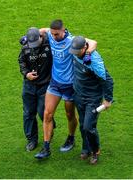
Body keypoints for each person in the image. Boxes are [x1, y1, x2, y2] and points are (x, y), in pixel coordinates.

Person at [35, 19, 97, 159]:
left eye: (57, 34)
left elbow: (93, 43)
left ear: (64, 31)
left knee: (70, 115)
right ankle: (46, 148)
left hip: (70, 86)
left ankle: (71, 138)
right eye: (53, 34)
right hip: (55, 83)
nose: (54, 36)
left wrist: (87, 54)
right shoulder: (50, 35)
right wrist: (29, 36)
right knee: (47, 114)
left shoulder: (71, 40)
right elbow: (42, 30)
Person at [69, 36, 114, 164]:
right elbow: (90, 40)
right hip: (78, 95)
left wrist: (108, 100)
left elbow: (108, 80)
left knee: (89, 126)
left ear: (84, 48)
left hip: (92, 99)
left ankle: (95, 151)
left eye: (77, 51)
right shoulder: (77, 48)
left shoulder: (94, 61)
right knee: (83, 125)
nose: (75, 54)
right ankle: (86, 148)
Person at [18, 27, 56, 151]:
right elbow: (21, 61)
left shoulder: (49, 43)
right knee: (28, 113)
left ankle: (50, 126)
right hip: (29, 86)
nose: (33, 46)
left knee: (42, 111)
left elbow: (58, 31)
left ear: (41, 37)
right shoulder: (25, 46)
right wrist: (26, 74)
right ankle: (31, 140)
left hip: (45, 85)